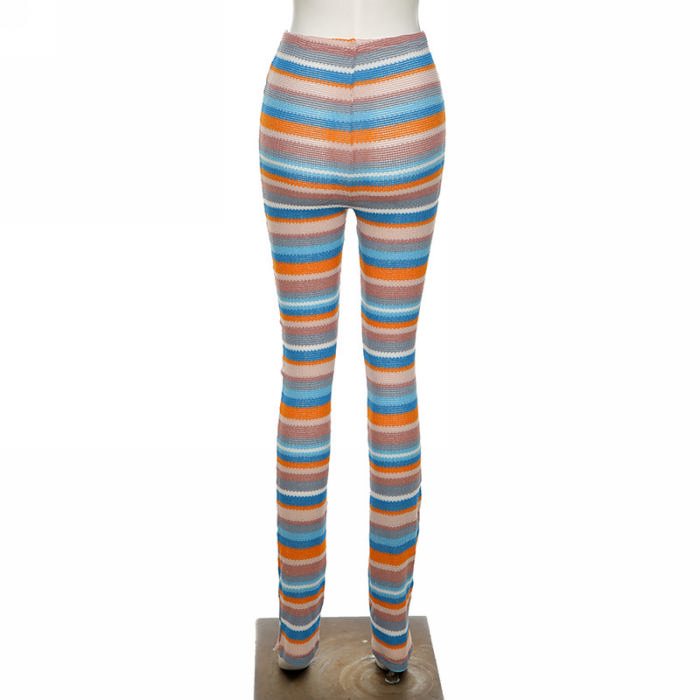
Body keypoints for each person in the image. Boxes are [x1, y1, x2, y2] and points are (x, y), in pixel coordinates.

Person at [258, 0, 447, 677]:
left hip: (299, 101)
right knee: (393, 368)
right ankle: (392, 638)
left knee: (304, 372)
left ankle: (296, 637)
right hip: (405, 99)